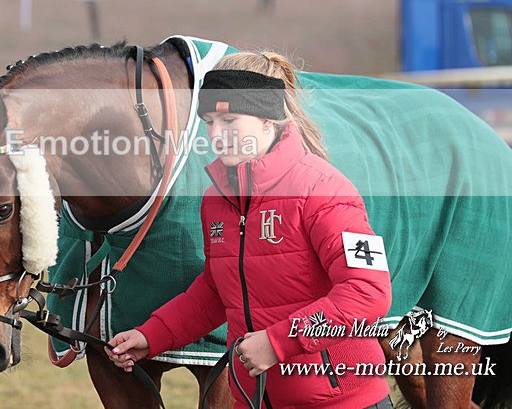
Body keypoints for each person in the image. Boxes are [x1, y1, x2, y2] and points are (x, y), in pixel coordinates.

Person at [106, 52, 393, 408]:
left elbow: (368, 292)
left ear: (268, 121)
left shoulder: (325, 190)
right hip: (254, 398)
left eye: (229, 119)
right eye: (209, 121)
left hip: (344, 401)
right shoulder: (216, 199)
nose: (216, 134)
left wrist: (277, 343)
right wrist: (151, 336)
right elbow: (215, 291)